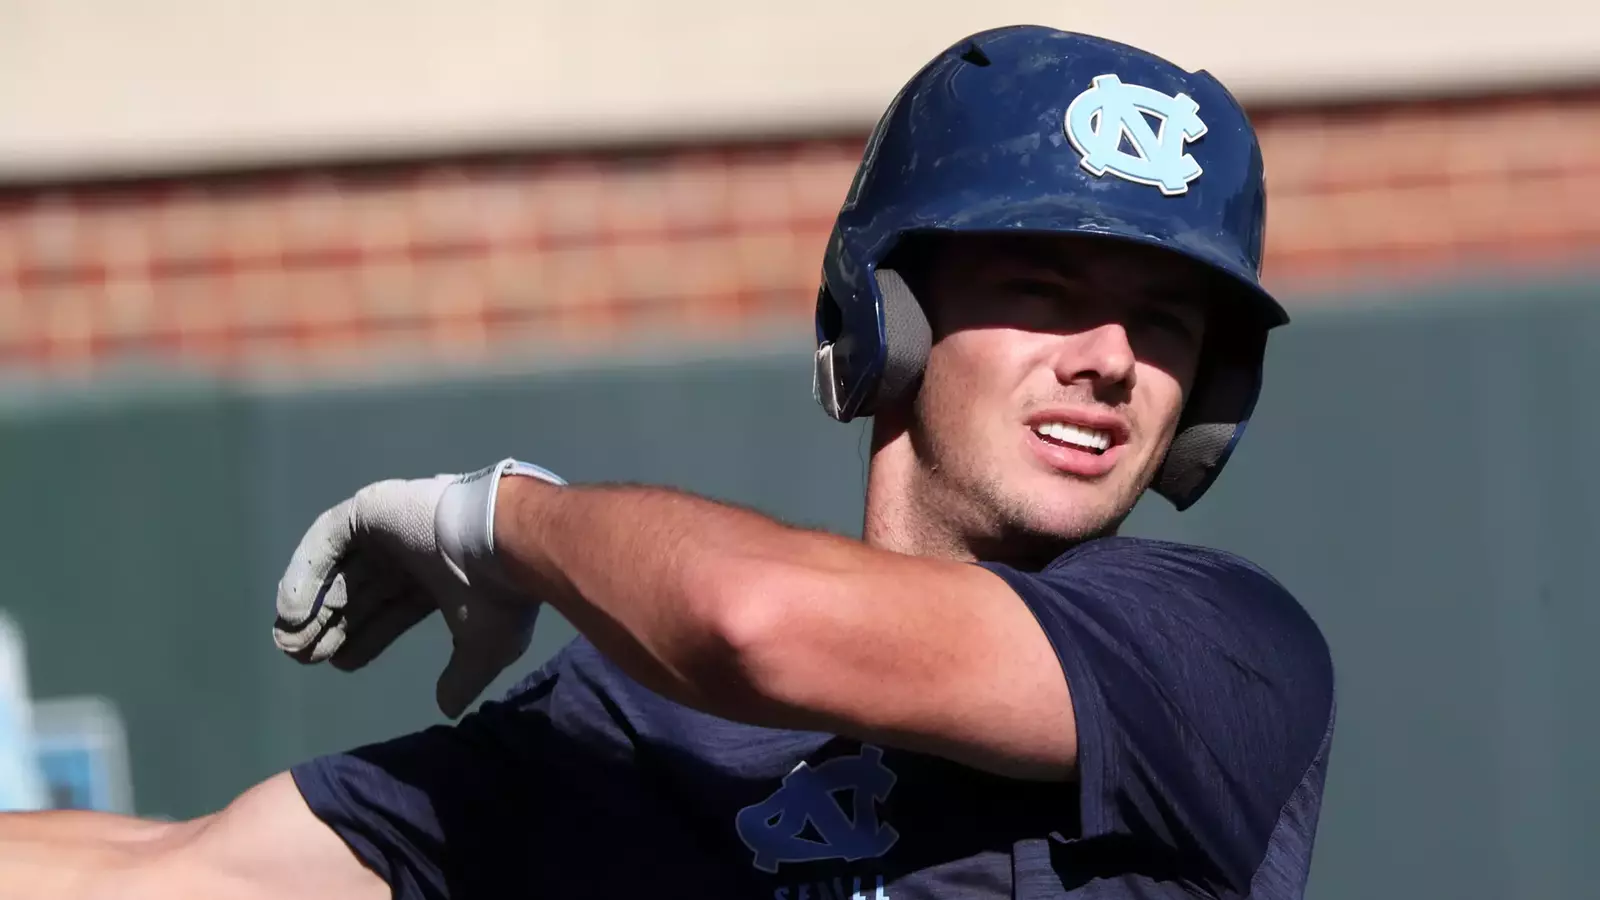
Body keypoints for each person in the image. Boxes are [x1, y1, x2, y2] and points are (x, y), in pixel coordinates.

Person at [0, 24, 1334, 900]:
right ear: (890, 317)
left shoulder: (1216, 653)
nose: (1110, 355)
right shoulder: (634, 720)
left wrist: (498, 522)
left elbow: (749, 621)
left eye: (1167, 323)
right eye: (1045, 288)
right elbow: (185, 873)